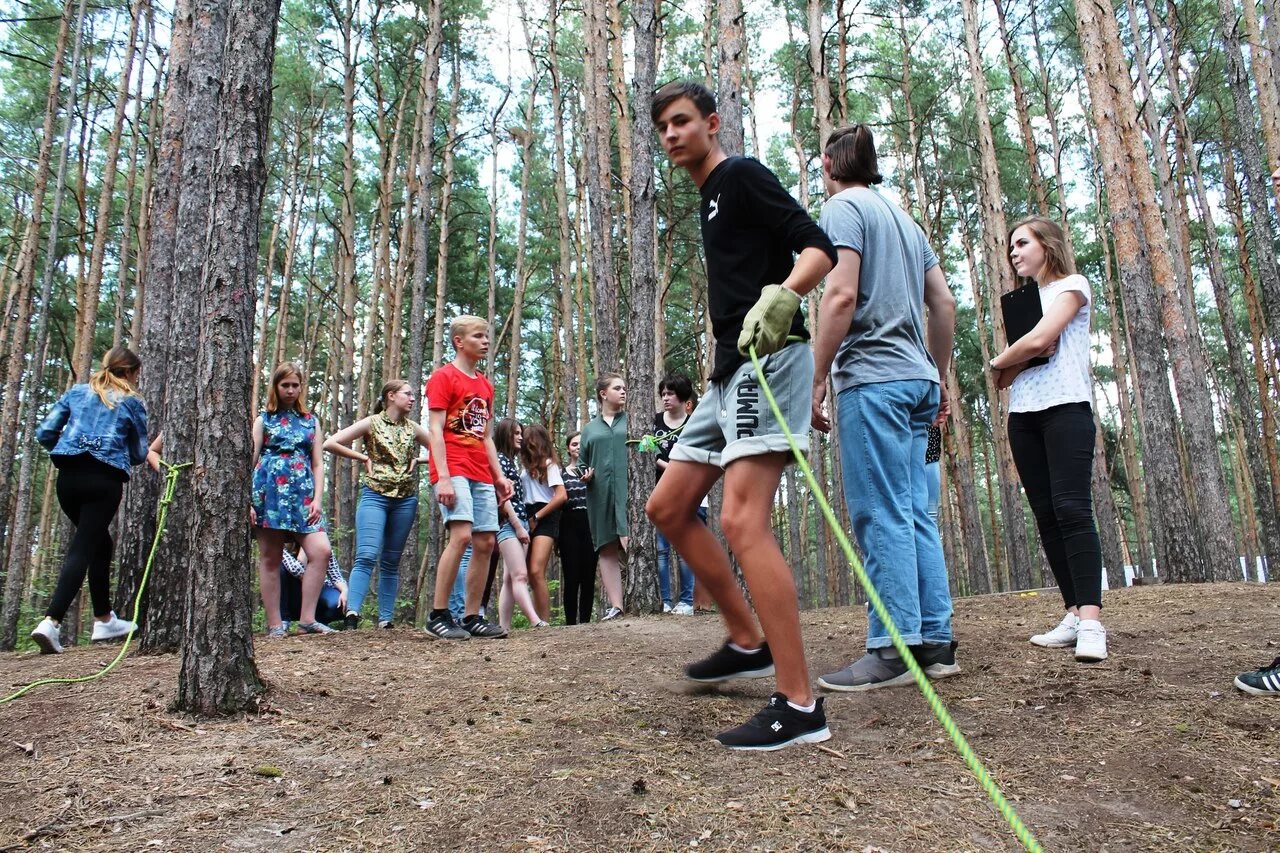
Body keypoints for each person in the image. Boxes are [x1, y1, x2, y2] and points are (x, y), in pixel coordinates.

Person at [645, 80, 837, 750]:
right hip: (727, 372)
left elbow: (817, 246)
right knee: (669, 506)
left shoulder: (744, 175)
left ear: (711, 122)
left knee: (741, 518)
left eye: (680, 122)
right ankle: (747, 638)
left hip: (770, 358)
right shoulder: (708, 196)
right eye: (662, 127)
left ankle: (801, 702)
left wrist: (786, 294)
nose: (670, 135)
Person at [809, 124, 959, 691]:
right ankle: (936, 643)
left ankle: (893, 648)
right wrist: (938, 375)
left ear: (828, 164)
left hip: (873, 380)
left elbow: (841, 295)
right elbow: (942, 303)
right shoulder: (905, 220)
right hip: (918, 381)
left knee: (882, 512)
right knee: (916, 512)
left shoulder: (843, 208)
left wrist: (817, 376)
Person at [989, 216, 1106, 662]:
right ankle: (1073, 613)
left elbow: (1040, 340)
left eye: (1021, 243)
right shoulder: (1023, 299)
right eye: (1011, 247)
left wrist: (1000, 359)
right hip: (1024, 416)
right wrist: (1014, 360)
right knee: (1046, 515)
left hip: (1066, 410)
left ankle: (1093, 622)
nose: (1014, 252)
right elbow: (1013, 374)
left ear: (1047, 244)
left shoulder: (1072, 286)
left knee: (1073, 509)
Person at [29, 347, 152, 654]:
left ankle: (104, 618)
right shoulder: (131, 402)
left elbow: (44, 432)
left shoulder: (78, 392)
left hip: (68, 479)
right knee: (84, 546)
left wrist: (72, 444)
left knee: (100, 543)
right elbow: (138, 453)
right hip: (103, 481)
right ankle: (51, 621)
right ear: (129, 373)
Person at [423, 315, 513, 640]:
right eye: (479, 336)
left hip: (480, 470)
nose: (486, 341)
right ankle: (438, 614)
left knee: (486, 541)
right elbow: (435, 430)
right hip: (453, 466)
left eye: (487, 336)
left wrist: (500, 477)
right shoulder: (443, 378)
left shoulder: (485, 385)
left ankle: (472, 616)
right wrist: (443, 477)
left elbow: (486, 436)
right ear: (460, 341)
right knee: (460, 536)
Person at [323, 379, 430, 629]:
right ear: (391, 396)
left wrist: (419, 460)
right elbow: (330, 443)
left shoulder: (413, 428)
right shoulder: (372, 423)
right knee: (367, 555)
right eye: (408, 393)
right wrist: (363, 457)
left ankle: (385, 619)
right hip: (375, 495)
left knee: (391, 560)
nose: (413, 398)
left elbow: (442, 448)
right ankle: (352, 615)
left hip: (405, 499)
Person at [251, 362, 336, 637]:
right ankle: (275, 624)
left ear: (301, 388)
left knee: (320, 551)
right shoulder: (264, 419)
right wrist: (248, 501)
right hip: (269, 494)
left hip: (303, 497)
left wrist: (318, 499)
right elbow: (251, 459)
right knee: (270, 558)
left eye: (295, 385)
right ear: (275, 387)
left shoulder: (311, 421)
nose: (290, 390)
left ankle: (307, 620)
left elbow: (318, 464)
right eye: (284, 385)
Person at [580, 374, 628, 620]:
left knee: (632, 542)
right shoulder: (590, 429)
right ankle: (617, 606)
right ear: (603, 394)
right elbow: (582, 462)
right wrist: (585, 474)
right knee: (607, 548)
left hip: (629, 492)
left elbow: (648, 449)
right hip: (599, 494)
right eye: (617, 388)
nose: (623, 392)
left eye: (624, 388)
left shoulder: (632, 420)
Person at [653, 374, 701, 615]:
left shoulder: (694, 423)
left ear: (683, 397)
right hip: (661, 496)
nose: (665, 398)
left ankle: (686, 602)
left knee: (685, 549)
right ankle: (664, 601)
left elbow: (696, 458)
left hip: (690, 494)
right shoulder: (654, 422)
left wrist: (668, 466)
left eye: (670, 393)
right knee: (661, 549)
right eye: (663, 394)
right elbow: (649, 455)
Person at [490, 419, 544, 630]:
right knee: (520, 575)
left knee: (510, 578)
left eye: (521, 433)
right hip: (509, 522)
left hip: (517, 521)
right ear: (505, 435)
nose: (521, 437)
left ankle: (504, 627)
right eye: (516, 433)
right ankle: (535, 620)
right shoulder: (500, 460)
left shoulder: (509, 461)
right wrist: (519, 526)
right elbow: (503, 497)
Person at [520, 423, 568, 622]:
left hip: (545, 516)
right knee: (528, 575)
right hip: (527, 514)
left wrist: (537, 517)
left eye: (532, 443)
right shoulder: (524, 469)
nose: (529, 447)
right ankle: (537, 621)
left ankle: (545, 620)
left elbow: (561, 496)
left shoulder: (550, 465)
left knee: (536, 570)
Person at [559, 431, 598, 624]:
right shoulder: (561, 473)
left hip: (590, 524)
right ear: (568, 448)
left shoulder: (593, 470)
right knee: (571, 575)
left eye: (581, 444)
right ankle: (570, 622)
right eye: (574, 444)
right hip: (569, 525)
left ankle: (585, 621)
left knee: (588, 576)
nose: (578, 447)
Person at [279, 547, 348, 627]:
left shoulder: (321, 543)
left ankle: (318, 622)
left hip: (320, 588)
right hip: (292, 594)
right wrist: (304, 546)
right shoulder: (281, 546)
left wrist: (344, 590)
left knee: (339, 603)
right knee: (279, 568)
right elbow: (298, 571)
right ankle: (283, 621)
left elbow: (336, 575)